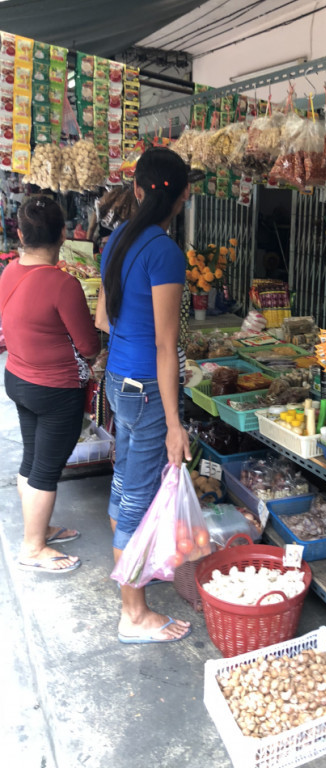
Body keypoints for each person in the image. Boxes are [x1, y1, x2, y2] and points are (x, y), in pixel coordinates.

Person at [95, 146, 192, 645]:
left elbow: (101, 321)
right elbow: (165, 345)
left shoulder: (116, 241)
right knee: (137, 496)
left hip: (118, 380)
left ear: (135, 190)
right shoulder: (164, 252)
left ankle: (131, 581)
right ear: (182, 198)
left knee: (126, 486)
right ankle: (133, 612)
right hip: (149, 391)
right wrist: (176, 424)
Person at [0, 196, 100, 573]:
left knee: (33, 459)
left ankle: (37, 529)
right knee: (47, 468)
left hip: (19, 379)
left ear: (21, 234)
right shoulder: (63, 285)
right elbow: (88, 346)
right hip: (55, 390)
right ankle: (33, 547)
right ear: (62, 233)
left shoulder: (8, 273)